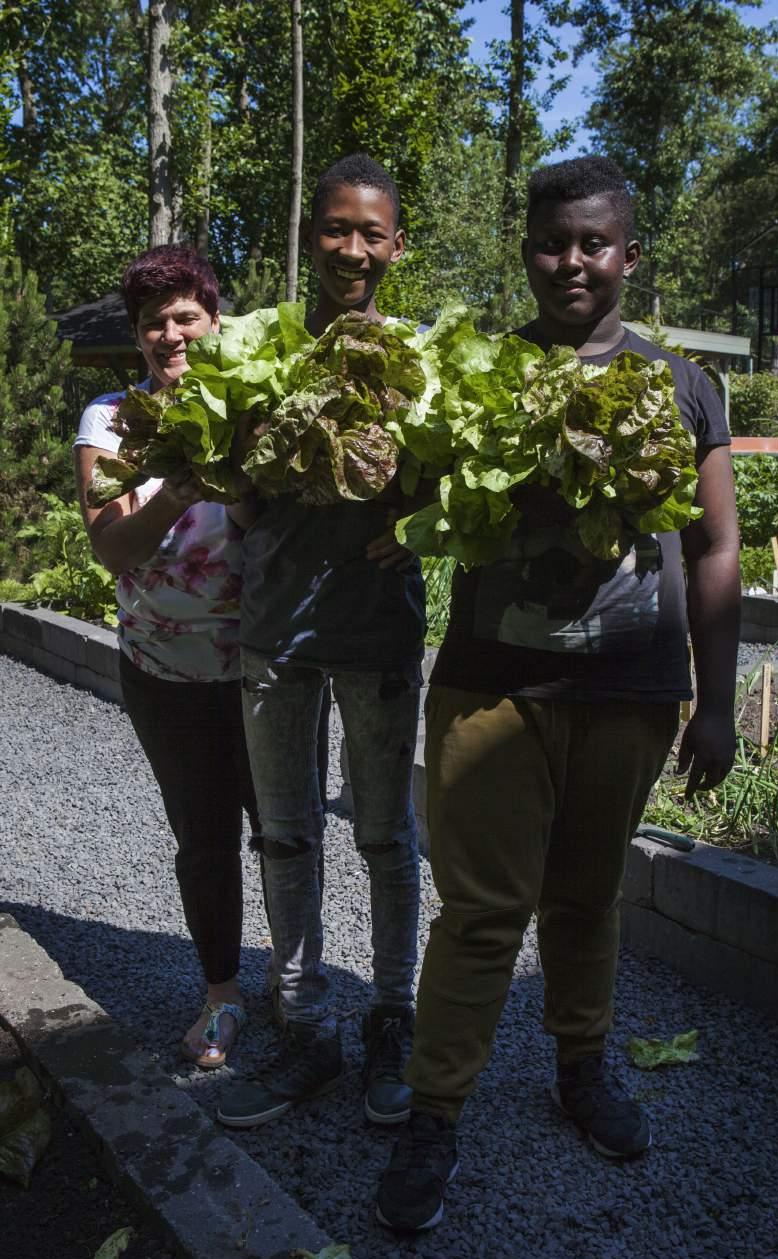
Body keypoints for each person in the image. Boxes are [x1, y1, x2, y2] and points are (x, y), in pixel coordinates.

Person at [376, 156, 741, 1231]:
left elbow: (716, 545)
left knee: (587, 899)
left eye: (593, 242)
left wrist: (713, 701)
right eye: (551, 242)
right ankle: (434, 1112)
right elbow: (406, 495)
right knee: (482, 914)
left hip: (630, 689)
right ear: (525, 251)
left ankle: (581, 1067)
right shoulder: (479, 370)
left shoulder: (682, 384)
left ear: (630, 253)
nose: (571, 261)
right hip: (493, 686)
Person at [216, 155, 425, 1131]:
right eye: (336, 228)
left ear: (396, 243)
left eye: (369, 231)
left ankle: (392, 1017)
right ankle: (307, 1026)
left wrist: (423, 522)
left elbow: (461, 495)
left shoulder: (423, 370)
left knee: (384, 836)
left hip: (377, 633)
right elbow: (235, 490)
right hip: (275, 631)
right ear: (312, 237)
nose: (353, 248)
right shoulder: (260, 358)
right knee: (287, 835)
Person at [74, 245, 260, 1070]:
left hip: (268, 670)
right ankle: (222, 996)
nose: (171, 334)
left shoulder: (256, 403)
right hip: (164, 669)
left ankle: (303, 992)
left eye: (186, 315)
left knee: (287, 839)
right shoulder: (110, 421)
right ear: (137, 337)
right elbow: (111, 549)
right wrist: (179, 488)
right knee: (205, 839)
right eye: (154, 323)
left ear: (215, 321)